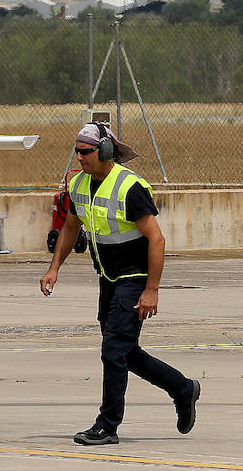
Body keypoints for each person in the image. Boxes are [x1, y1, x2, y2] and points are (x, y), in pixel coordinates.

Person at [40, 122, 201, 446]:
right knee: (125, 352)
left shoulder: (130, 187)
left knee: (113, 351)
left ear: (106, 151)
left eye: (85, 151)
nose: (80, 157)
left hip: (134, 277)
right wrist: (54, 267)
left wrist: (151, 290)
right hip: (109, 277)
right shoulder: (80, 184)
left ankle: (107, 424)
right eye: (77, 151)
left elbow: (156, 239)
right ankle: (183, 388)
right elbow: (71, 227)